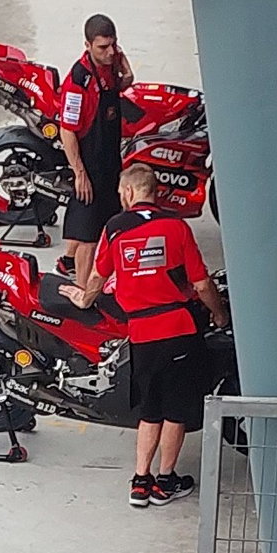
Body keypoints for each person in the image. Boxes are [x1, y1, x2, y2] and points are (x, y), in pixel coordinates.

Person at [61, 164, 229, 508]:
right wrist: (219, 312)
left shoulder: (115, 228)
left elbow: (97, 277)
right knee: (176, 410)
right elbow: (201, 283)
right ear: (156, 192)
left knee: (150, 408)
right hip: (179, 330)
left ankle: (140, 481)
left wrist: (83, 298)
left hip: (141, 333)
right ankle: (166, 480)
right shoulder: (176, 227)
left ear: (127, 193)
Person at [57, 13, 134, 282]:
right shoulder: (78, 83)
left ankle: (67, 260)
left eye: (113, 45)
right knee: (89, 236)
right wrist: (80, 174)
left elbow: (119, 89)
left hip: (109, 160)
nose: (110, 52)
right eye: (103, 47)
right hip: (89, 165)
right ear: (87, 45)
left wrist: (127, 71)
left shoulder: (111, 65)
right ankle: (81, 290)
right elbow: (67, 131)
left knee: (103, 223)